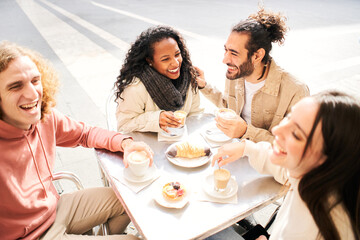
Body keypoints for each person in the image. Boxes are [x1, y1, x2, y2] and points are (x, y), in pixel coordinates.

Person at [0, 41, 154, 240]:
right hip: (30, 236)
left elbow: (85, 133)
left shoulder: (45, 117)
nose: (32, 93)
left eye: (35, 80)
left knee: (130, 199)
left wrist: (126, 144)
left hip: (56, 209)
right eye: (15, 86)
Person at [211, 90, 359, 239]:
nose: (276, 130)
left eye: (296, 134)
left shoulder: (317, 229)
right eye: (289, 118)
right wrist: (246, 148)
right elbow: (282, 167)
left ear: (328, 160)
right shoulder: (312, 179)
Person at [196, 8, 309, 143]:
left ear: (257, 56)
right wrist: (204, 86)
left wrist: (245, 131)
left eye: (234, 53)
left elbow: (293, 146)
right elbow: (228, 106)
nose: (225, 60)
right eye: (226, 50)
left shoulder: (296, 91)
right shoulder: (236, 74)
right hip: (235, 151)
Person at [114, 26, 203, 134]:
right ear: (150, 61)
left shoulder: (188, 76)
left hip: (181, 146)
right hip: (148, 147)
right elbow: (124, 126)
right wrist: (155, 119)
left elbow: (195, 114)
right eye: (165, 59)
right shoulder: (135, 88)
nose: (175, 63)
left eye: (177, 54)